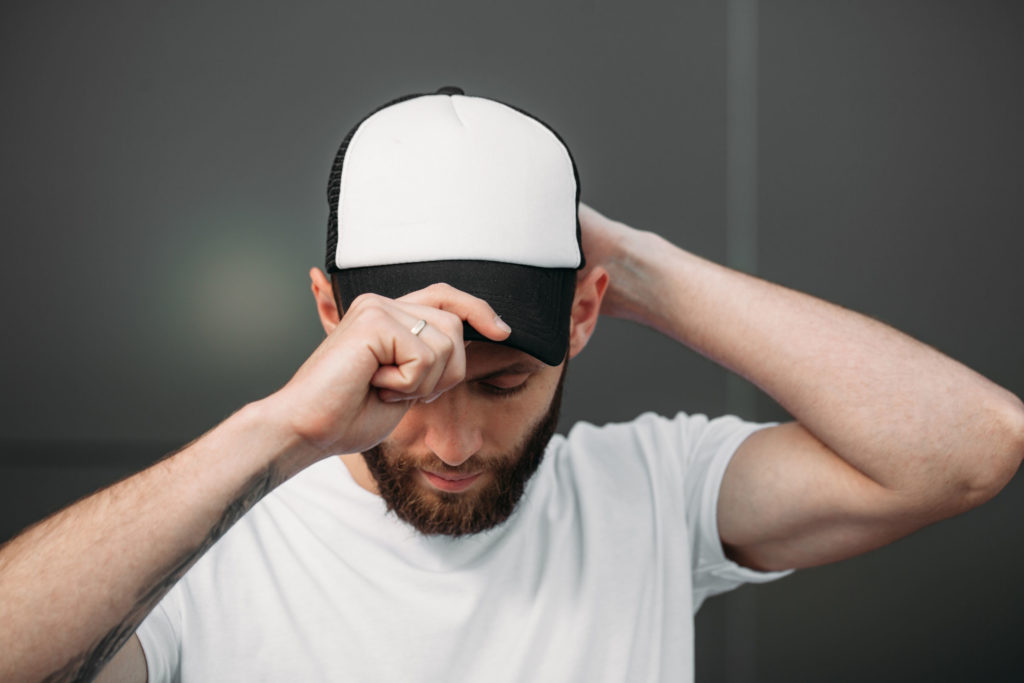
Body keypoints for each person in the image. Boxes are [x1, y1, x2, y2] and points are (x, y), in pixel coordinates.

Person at [1, 86, 1021, 683]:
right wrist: (276, 430)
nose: (450, 442)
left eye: (503, 383)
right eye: (402, 384)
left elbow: (974, 446)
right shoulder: (209, 540)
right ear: (328, 313)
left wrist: (638, 266)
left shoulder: (651, 491)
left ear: (583, 317)